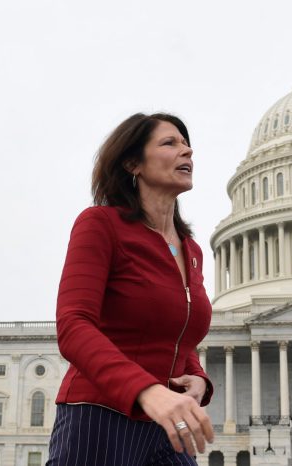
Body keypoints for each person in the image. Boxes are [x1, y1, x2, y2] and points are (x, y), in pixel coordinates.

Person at [47, 113, 215, 465]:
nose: (187, 151)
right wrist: (145, 390)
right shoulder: (101, 225)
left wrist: (198, 377)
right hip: (99, 416)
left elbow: (179, 334)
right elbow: (73, 325)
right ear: (132, 163)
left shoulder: (192, 250)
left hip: (168, 423)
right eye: (170, 143)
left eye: (186, 143)